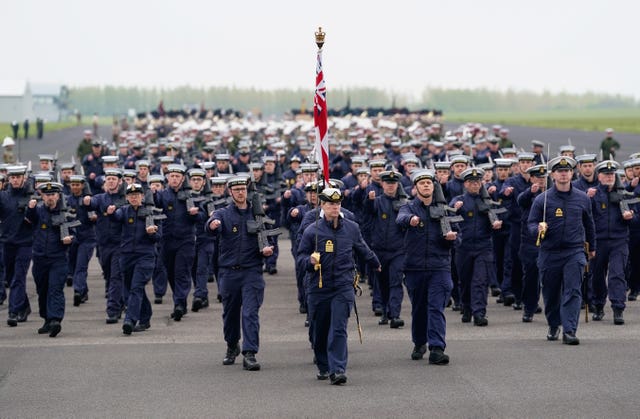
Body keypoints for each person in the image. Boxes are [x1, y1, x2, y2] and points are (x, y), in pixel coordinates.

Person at [297, 187, 381, 385]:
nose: (334, 207)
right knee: (320, 329)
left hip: (343, 285)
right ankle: (324, 365)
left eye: (337, 204)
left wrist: (376, 263)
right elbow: (300, 258)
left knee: (339, 328)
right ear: (322, 205)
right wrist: (309, 261)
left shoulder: (351, 227)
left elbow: (362, 247)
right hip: (319, 286)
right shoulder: (312, 230)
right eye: (330, 204)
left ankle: (338, 369)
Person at [207, 176, 274, 371]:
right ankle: (231, 345)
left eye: (243, 189)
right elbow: (212, 222)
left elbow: (270, 240)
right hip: (229, 272)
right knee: (230, 314)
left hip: (252, 271)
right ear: (230, 192)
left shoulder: (258, 215)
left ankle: (250, 353)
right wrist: (212, 225)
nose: (240, 192)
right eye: (236, 190)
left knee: (250, 313)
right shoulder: (224, 213)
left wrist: (269, 251)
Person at [528, 156, 596, 345]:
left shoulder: (582, 198)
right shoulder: (543, 199)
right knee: (550, 293)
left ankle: (569, 330)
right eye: (560, 171)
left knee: (573, 291)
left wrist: (593, 247)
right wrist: (538, 229)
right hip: (549, 252)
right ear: (553, 175)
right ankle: (553, 324)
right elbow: (531, 224)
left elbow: (589, 224)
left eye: (567, 171)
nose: (564, 174)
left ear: (572, 173)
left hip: (574, 251)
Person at [396, 169, 458, 364]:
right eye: (421, 183)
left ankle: (437, 348)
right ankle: (419, 342)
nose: (425, 186)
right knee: (419, 308)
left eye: (429, 183)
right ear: (415, 188)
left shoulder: (444, 209)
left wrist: (451, 239)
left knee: (436, 308)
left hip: (439, 267)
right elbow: (400, 219)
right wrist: (411, 221)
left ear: (434, 187)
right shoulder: (409, 208)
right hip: (414, 268)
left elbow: (458, 237)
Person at [450, 168, 503, 326]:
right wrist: (455, 209)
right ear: (465, 184)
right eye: (472, 182)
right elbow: (448, 216)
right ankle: (467, 307)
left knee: (480, 281)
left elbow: (495, 216)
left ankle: (479, 312)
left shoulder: (486, 200)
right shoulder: (458, 200)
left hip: (483, 246)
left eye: (478, 182)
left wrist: (496, 223)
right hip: (464, 247)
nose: (475, 185)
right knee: (465, 281)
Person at [110, 183, 162, 334]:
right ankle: (145, 318)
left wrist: (152, 233)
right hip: (126, 256)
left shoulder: (152, 212)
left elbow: (159, 237)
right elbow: (116, 218)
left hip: (145, 256)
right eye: (131, 195)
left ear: (142, 196)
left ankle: (130, 320)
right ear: (127, 197)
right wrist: (112, 212)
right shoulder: (124, 211)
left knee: (136, 287)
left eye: (137, 195)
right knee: (131, 288)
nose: (134, 198)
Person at [589, 160, 635, 324]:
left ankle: (618, 308)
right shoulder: (593, 195)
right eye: (606, 174)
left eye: (611, 174)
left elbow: (635, 215)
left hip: (619, 240)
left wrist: (630, 217)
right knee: (597, 276)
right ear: (599, 176)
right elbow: (586, 217)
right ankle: (599, 305)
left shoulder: (624, 193)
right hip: (598, 241)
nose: (609, 177)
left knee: (617, 274)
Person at [26, 182, 74, 337]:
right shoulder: (38, 211)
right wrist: (31, 208)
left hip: (58, 258)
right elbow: (29, 219)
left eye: (53, 195)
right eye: (47, 195)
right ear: (42, 196)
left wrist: (70, 238)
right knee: (43, 290)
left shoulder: (66, 212)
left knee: (55, 288)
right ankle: (47, 319)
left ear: (58, 196)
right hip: (40, 258)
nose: (50, 198)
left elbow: (76, 232)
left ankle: (55, 320)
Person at [363, 170, 407, 328]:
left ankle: (395, 315)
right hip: (379, 250)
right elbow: (368, 211)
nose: (390, 186)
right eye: (387, 183)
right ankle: (385, 311)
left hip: (398, 250)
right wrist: (369, 200)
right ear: (382, 184)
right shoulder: (378, 201)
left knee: (395, 282)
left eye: (393, 183)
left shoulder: (404, 203)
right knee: (382, 283)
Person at [0, 165, 34, 326]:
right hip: (7, 242)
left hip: (25, 243)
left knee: (18, 278)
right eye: (12, 177)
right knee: (10, 277)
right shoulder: (3, 196)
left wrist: (32, 213)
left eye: (17, 177)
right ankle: (24, 306)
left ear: (23, 178)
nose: (14, 180)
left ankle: (13, 312)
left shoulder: (31, 197)